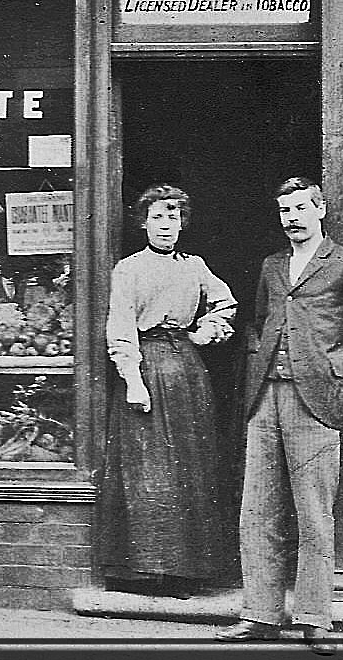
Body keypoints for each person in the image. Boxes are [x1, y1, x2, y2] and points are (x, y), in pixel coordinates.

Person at [216, 177, 343, 655]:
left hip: (314, 401)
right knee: (257, 511)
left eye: (300, 208)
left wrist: (337, 369)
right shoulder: (272, 266)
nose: (292, 218)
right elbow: (260, 322)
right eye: (284, 211)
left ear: (320, 209)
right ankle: (260, 615)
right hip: (264, 398)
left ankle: (314, 618)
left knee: (314, 514)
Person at [98, 184, 237, 599]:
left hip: (187, 372)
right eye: (157, 217)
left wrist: (205, 331)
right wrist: (133, 380)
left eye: (173, 217)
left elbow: (225, 303)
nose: (165, 225)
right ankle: (142, 571)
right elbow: (121, 326)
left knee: (188, 467)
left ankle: (183, 572)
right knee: (147, 470)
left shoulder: (195, 267)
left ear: (182, 224)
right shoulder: (129, 269)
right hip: (147, 365)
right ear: (143, 223)